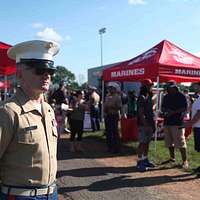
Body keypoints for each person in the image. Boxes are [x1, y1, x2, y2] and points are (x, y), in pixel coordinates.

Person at [0, 40, 59, 200]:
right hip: (20, 195)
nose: (46, 75)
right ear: (19, 74)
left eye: (50, 70)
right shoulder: (8, 112)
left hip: (51, 193)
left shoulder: (48, 110)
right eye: (39, 70)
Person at [161, 80, 188, 169]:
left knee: (181, 142)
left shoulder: (181, 96)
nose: (168, 89)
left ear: (174, 87)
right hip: (167, 121)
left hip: (177, 122)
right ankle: (172, 158)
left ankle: (185, 161)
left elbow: (184, 108)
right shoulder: (166, 96)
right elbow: (163, 107)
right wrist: (166, 111)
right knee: (169, 142)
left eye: (170, 87)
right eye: (168, 88)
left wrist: (173, 112)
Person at [136, 79, 155, 172]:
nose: (150, 87)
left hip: (149, 123)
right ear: (144, 87)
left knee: (147, 142)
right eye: (148, 85)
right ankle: (139, 162)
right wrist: (145, 123)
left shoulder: (148, 96)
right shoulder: (141, 97)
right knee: (142, 143)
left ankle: (145, 159)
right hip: (144, 124)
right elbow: (140, 112)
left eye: (150, 85)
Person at [185, 82, 200, 175]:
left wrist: (189, 124)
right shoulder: (198, 98)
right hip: (197, 126)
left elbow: (198, 114)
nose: (195, 87)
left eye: (197, 85)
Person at [104, 82, 122, 154]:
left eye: (111, 88)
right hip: (108, 115)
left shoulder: (117, 97)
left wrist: (111, 107)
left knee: (115, 132)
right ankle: (110, 147)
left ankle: (116, 148)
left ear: (114, 89)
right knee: (108, 132)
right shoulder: (107, 96)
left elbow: (119, 107)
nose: (110, 89)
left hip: (114, 115)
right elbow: (105, 105)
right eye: (109, 88)